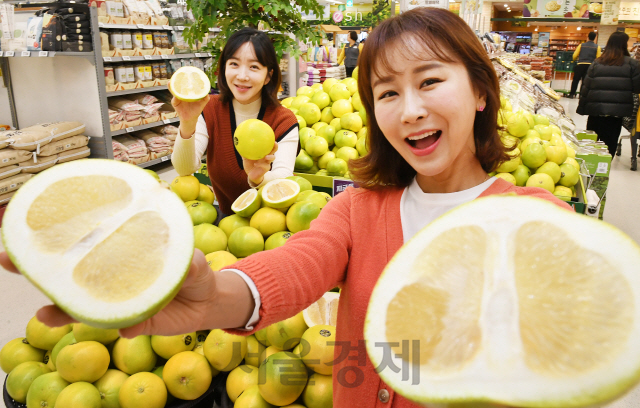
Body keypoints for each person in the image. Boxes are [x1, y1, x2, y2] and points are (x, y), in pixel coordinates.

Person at [0, 8, 573, 407]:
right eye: (388, 92)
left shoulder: (537, 219)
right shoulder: (358, 211)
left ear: (479, 91)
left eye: (429, 81)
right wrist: (212, 300)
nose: (411, 109)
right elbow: (295, 266)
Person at [170, 28, 299, 218]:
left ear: (268, 76)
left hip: (271, 224)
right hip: (224, 220)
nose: (242, 76)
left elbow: (283, 179)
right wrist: (188, 123)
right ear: (224, 68)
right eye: (234, 64)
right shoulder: (210, 108)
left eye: (254, 67)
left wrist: (258, 178)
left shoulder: (283, 120)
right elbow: (185, 168)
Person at [577, 31, 640, 159]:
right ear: (624, 45)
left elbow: (586, 88)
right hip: (615, 116)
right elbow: (637, 88)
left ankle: (589, 174)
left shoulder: (597, 63)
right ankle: (603, 174)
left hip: (595, 113)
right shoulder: (632, 64)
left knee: (590, 147)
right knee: (608, 151)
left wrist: (581, 108)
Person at [569, 31, 601, 98]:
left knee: (575, 80)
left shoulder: (581, 45)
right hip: (590, 66)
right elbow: (598, 58)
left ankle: (572, 94)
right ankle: (581, 95)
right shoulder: (597, 47)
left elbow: (574, 55)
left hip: (580, 64)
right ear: (595, 38)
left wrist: (574, 60)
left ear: (588, 37)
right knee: (584, 81)